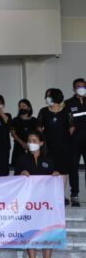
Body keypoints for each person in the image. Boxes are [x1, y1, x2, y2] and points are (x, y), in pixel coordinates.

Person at [14, 131, 59, 258]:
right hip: (28, 203)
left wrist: (55, 175)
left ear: (41, 143)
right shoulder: (21, 159)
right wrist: (21, 174)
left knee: (47, 232)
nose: (31, 143)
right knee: (30, 232)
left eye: (34, 141)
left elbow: (52, 178)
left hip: (45, 203)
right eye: (29, 141)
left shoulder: (48, 160)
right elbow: (15, 180)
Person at [37, 88, 74, 206]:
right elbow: (38, 127)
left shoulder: (67, 111)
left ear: (56, 97)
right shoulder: (43, 111)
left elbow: (72, 127)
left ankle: (60, 195)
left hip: (64, 146)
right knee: (48, 170)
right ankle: (49, 195)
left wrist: (66, 139)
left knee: (63, 171)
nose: (46, 98)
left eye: (48, 96)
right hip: (48, 147)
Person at [67, 78, 86, 207]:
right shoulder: (68, 103)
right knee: (73, 167)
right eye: (79, 86)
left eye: (83, 86)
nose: (81, 88)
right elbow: (66, 122)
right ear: (74, 89)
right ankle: (74, 195)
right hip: (74, 141)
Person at [10, 99, 39, 167]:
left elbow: (38, 134)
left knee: (32, 167)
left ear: (29, 108)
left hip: (32, 148)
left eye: (23, 106)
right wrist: (22, 143)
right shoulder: (15, 120)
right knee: (18, 168)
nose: (21, 108)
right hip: (18, 148)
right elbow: (13, 133)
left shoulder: (34, 120)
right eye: (20, 106)